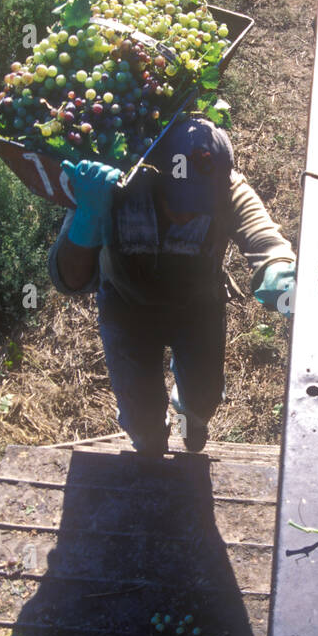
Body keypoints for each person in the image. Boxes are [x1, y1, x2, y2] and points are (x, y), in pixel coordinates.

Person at [47, 115, 296, 455]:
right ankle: (150, 442)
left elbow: (266, 241)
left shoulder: (227, 187)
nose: (189, 214)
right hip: (125, 310)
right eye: (181, 200)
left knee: (203, 395)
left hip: (197, 309)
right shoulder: (114, 186)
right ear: (156, 172)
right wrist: (87, 216)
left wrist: (280, 275)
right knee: (141, 418)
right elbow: (69, 279)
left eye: (201, 203)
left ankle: (191, 416)